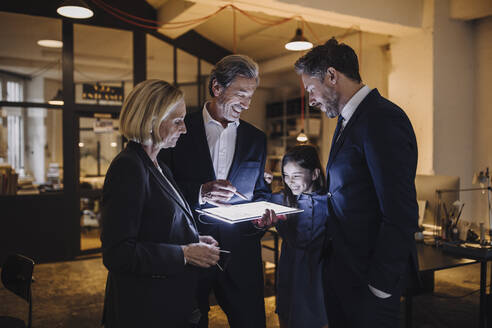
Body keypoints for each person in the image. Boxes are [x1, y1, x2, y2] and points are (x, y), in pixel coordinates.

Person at [293, 38, 419, 327]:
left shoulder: (382, 119)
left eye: (311, 89)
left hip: (370, 281)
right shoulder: (348, 119)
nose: (310, 99)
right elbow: (349, 190)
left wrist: (380, 285)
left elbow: (400, 212)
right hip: (344, 272)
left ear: (332, 76)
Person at [159, 55, 270, 328]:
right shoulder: (180, 129)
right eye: (240, 94)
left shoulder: (257, 139)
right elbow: (161, 188)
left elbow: (261, 193)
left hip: (241, 256)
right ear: (217, 87)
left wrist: (262, 219)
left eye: (251, 95)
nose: (246, 104)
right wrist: (199, 192)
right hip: (190, 249)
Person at [100, 80, 221, 328]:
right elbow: (118, 253)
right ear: (152, 121)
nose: (185, 129)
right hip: (144, 309)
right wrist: (185, 254)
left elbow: (158, 225)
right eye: (177, 121)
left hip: (168, 302)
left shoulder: (159, 166)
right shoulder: (129, 167)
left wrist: (194, 240)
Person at [256, 145, 329, 328]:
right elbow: (256, 204)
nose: (290, 181)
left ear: (314, 174)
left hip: (321, 273)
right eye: (286, 175)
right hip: (290, 269)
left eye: (296, 175)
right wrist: (262, 180)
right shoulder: (280, 200)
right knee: (288, 316)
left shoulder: (331, 201)